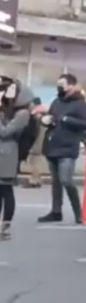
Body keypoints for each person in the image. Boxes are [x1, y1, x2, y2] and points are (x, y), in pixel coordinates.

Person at [38, 74, 86, 224]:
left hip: (68, 147)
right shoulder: (57, 101)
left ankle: (78, 213)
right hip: (53, 144)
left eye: (62, 84)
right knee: (55, 182)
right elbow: (51, 117)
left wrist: (67, 119)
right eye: (58, 84)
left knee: (66, 180)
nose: (59, 87)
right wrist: (45, 120)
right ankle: (56, 211)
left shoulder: (80, 104)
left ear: (71, 85)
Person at [0, 80, 34, 239]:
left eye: (12, 89)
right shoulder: (6, 109)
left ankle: (6, 225)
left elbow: (5, 132)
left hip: (8, 154)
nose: (8, 92)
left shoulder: (23, 113)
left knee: (6, 190)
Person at [24, 98, 46, 188]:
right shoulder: (44, 114)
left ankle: (34, 180)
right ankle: (37, 180)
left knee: (33, 161)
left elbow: (34, 131)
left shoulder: (37, 115)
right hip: (40, 140)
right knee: (36, 161)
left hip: (37, 141)